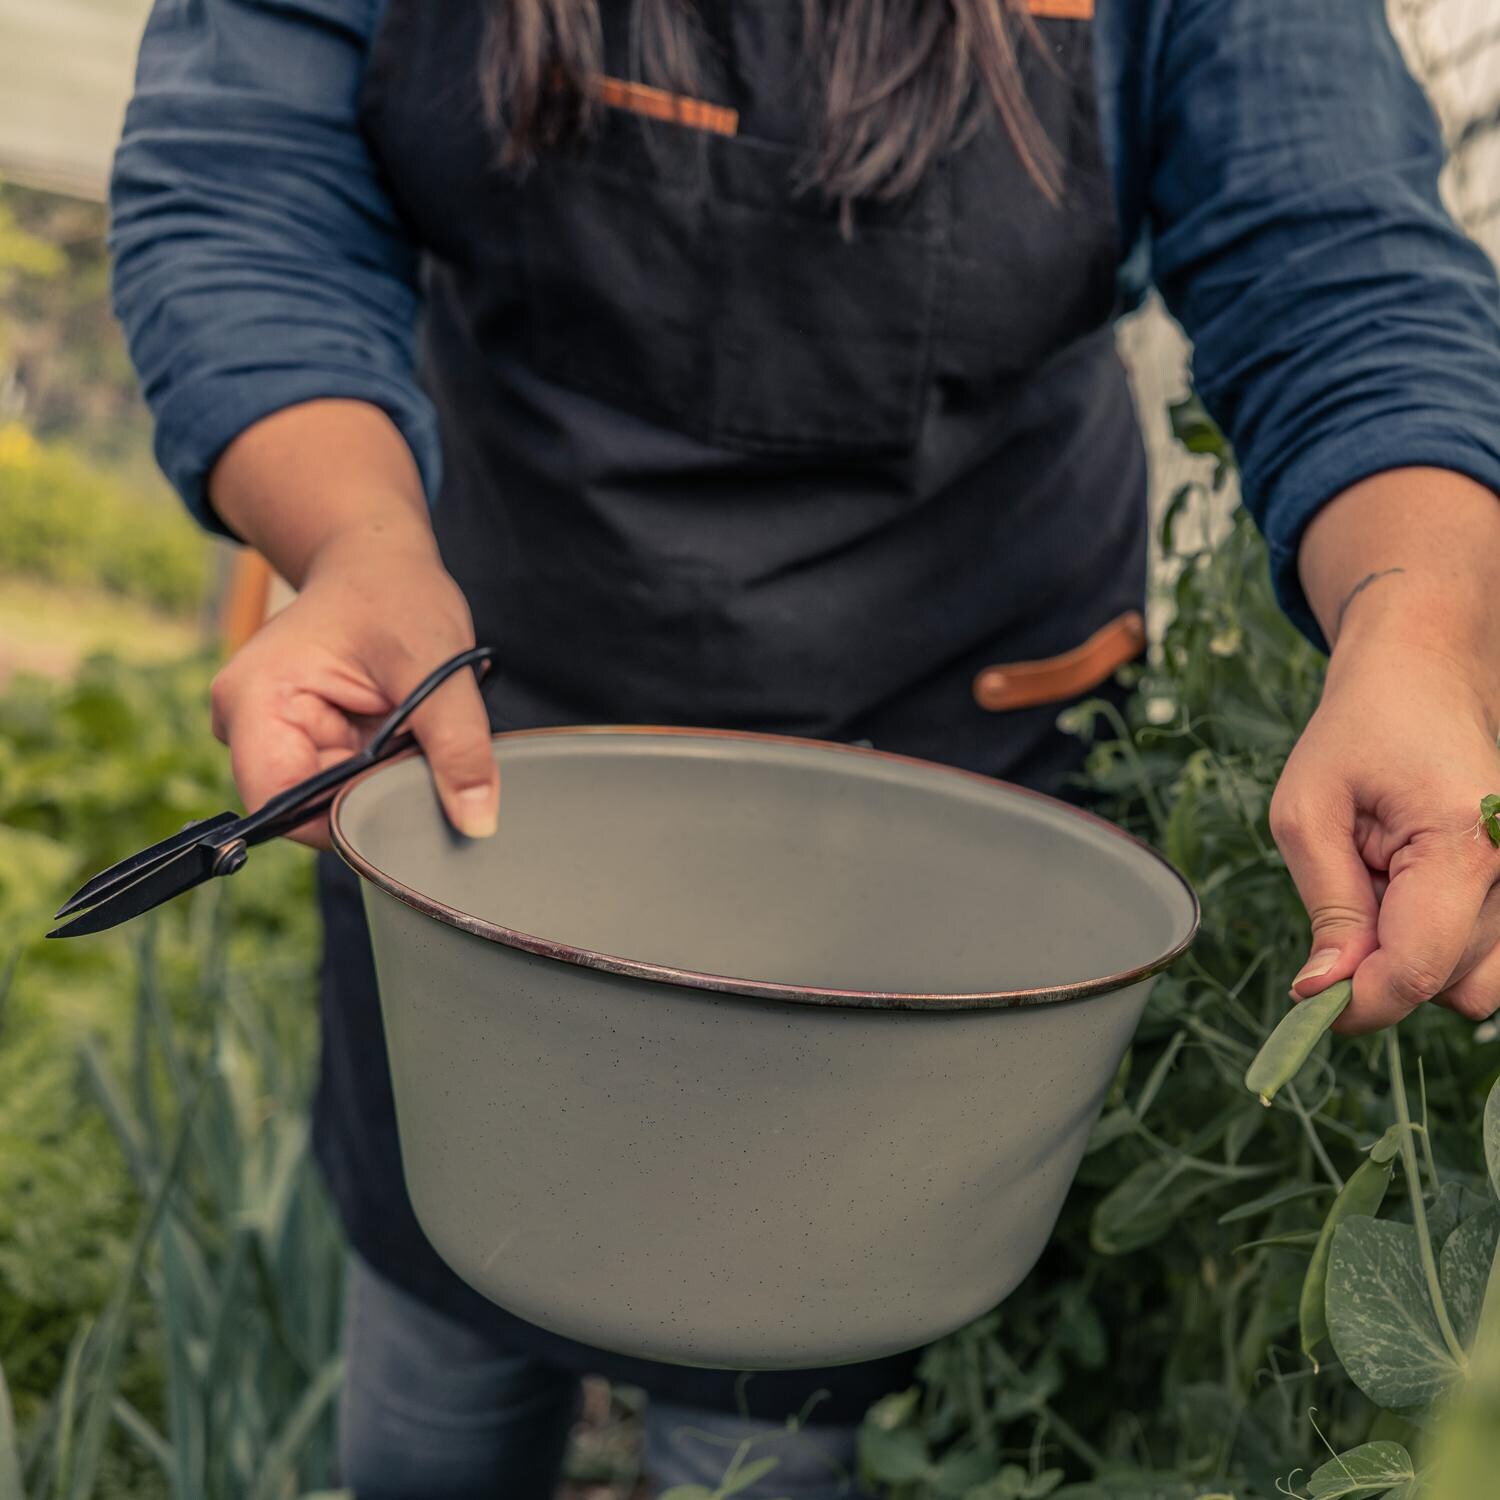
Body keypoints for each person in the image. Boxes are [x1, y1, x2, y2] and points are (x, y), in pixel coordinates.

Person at [110, 1, 1500, 1495]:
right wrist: (358, 542)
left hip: (932, 788)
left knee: (777, 1420)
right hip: (487, 728)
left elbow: (1336, 265)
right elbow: (247, 178)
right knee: (442, 1372)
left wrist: (1415, 629)